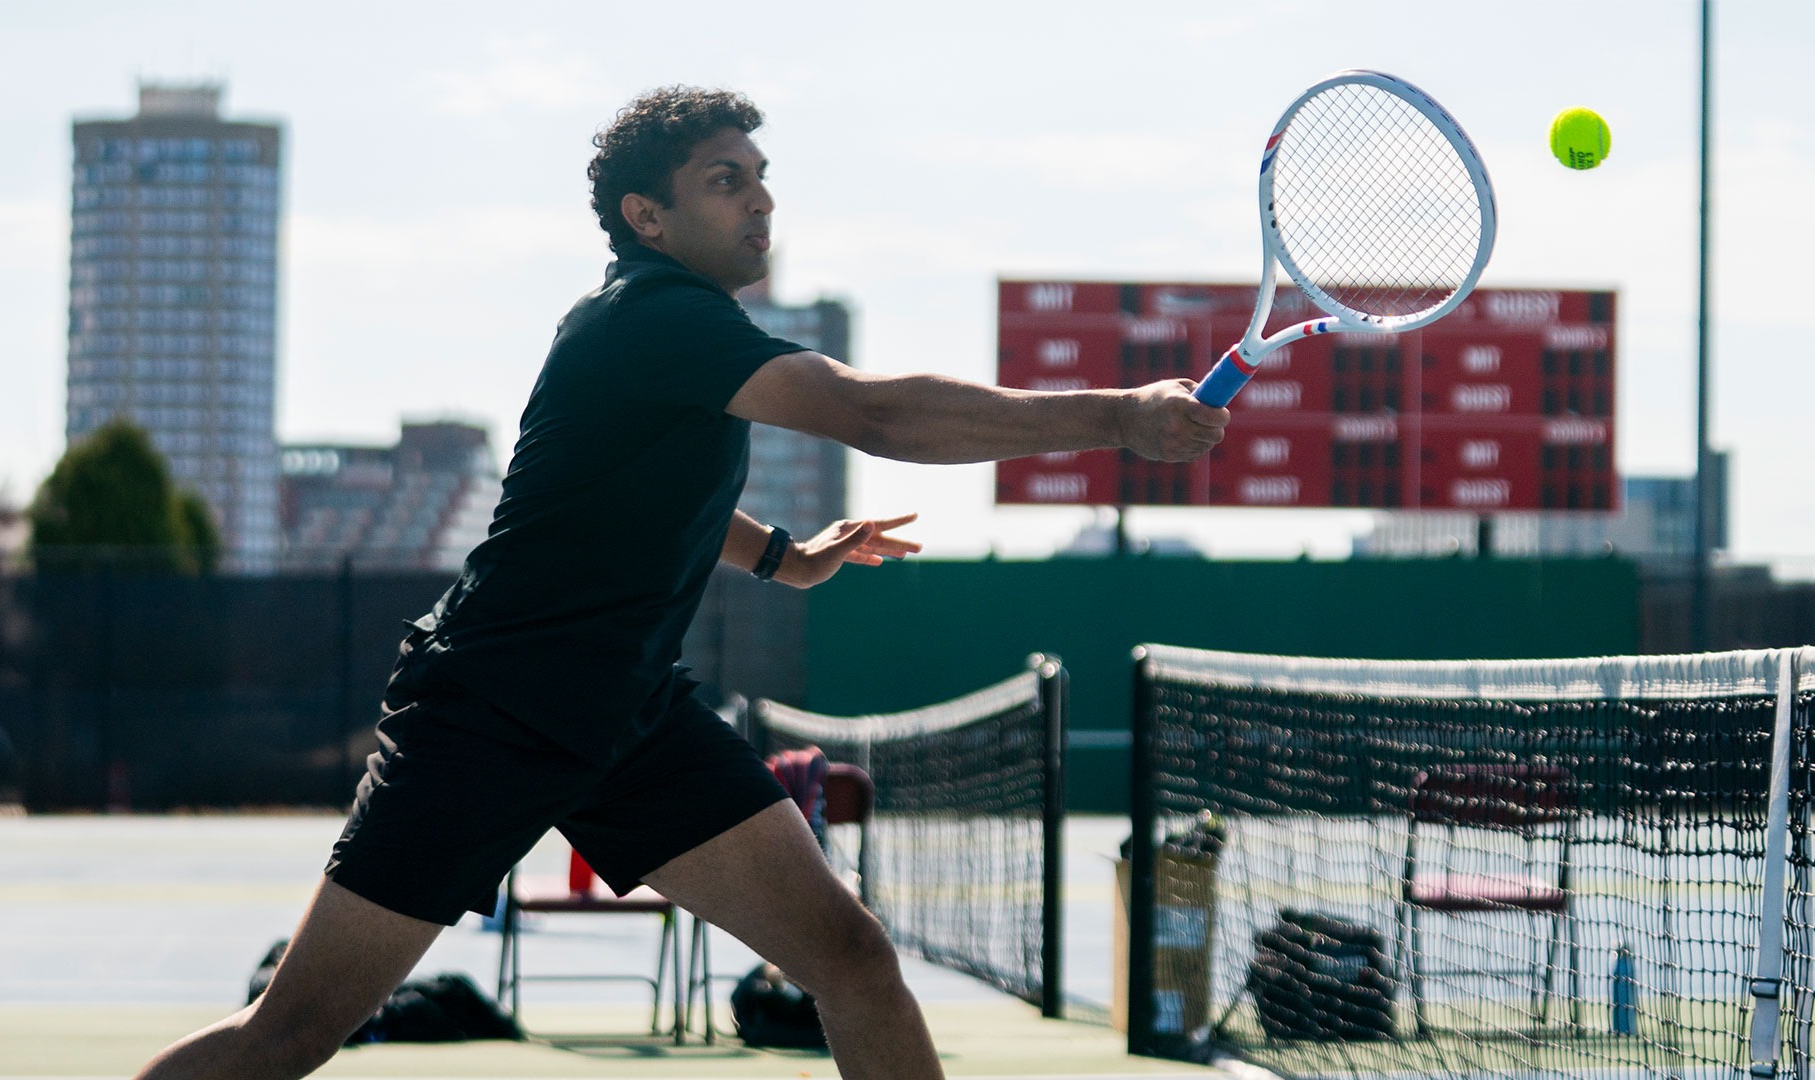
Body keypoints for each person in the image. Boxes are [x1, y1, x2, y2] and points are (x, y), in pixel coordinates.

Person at [134, 85, 1228, 1080]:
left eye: (760, 179)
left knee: (849, 957)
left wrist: (783, 556)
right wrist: (1118, 416)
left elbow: (644, 501)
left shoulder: (674, 336)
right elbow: (873, 412)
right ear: (645, 217)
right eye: (725, 181)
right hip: (493, 711)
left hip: (628, 719)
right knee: (291, 1034)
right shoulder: (649, 320)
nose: (760, 202)